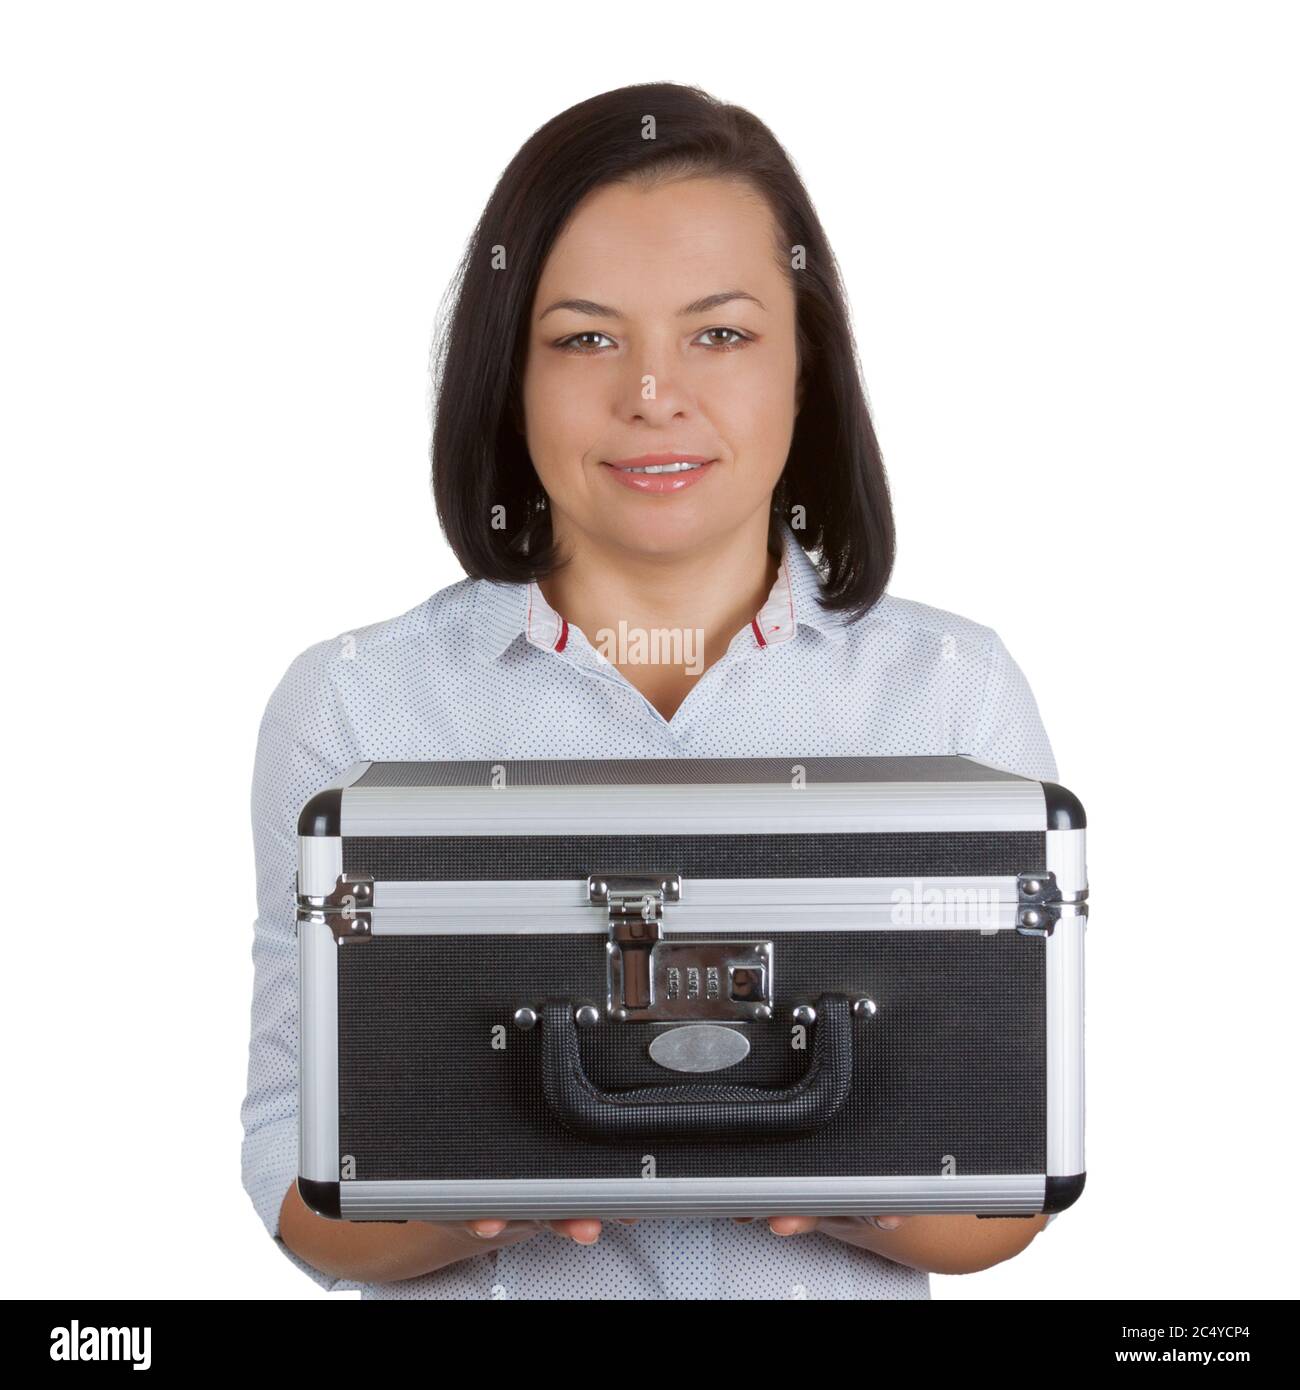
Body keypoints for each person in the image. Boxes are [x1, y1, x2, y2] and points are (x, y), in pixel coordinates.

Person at [240, 81, 1062, 1300]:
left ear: (806, 368)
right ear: (507, 376)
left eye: (720, 333)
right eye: (584, 337)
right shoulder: (358, 707)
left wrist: (818, 1172)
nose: (650, 392)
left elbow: (1012, 1181)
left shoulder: (950, 694)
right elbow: (296, 1180)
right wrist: (510, 1189)